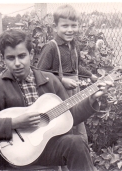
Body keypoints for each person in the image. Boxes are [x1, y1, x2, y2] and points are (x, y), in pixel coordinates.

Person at [0, 29, 112, 171]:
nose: (17, 63)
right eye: (11, 58)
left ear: (30, 55)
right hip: (13, 152)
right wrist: (15, 123)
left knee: (77, 143)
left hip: (47, 149)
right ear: (3, 59)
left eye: (22, 56)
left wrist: (91, 99)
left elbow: (70, 115)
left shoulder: (50, 80)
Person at [37, 4, 97, 135]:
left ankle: (78, 149)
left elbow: (76, 68)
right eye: (65, 26)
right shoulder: (51, 48)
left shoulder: (74, 46)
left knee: (78, 128)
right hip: (56, 97)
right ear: (55, 27)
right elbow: (39, 73)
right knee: (61, 130)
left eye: (73, 25)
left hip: (74, 95)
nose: (70, 30)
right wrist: (61, 80)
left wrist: (90, 75)